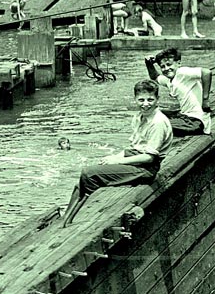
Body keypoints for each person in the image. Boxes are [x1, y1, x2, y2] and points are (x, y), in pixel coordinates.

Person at [62, 79, 173, 227]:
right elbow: (135, 148)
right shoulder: (139, 117)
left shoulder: (158, 122)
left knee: (89, 174)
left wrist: (117, 161)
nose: (145, 103)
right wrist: (114, 156)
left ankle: (68, 221)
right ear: (135, 99)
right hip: (136, 161)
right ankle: (65, 217)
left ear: (157, 99)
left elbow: (148, 157)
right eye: (141, 100)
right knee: (83, 179)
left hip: (146, 169)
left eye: (150, 99)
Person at [144, 47, 212, 136]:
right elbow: (155, 77)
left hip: (196, 122)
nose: (166, 68)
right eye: (162, 67)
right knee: (150, 113)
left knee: (156, 124)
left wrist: (205, 99)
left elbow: (206, 72)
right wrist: (148, 63)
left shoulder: (182, 72)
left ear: (178, 63)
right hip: (185, 117)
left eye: (169, 64)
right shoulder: (169, 80)